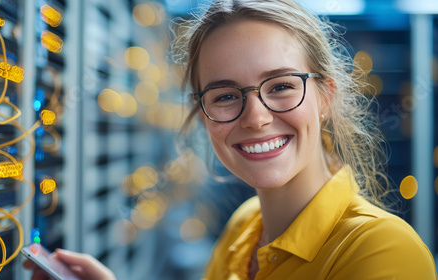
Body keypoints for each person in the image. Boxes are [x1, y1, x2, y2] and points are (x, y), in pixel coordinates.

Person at [25, 0, 437, 279]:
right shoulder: (244, 228)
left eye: (280, 86)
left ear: (325, 96)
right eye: (224, 96)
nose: (256, 118)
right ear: (203, 116)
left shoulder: (384, 252)